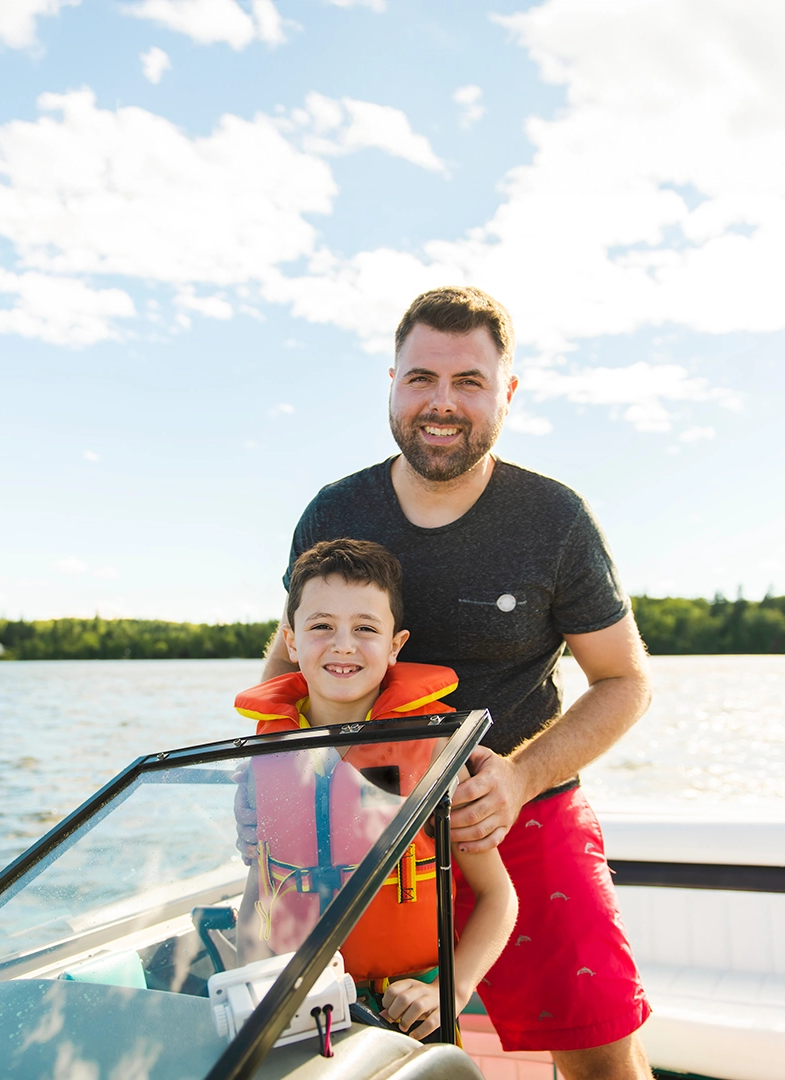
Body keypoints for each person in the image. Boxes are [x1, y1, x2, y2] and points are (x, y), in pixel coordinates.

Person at [259, 287, 656, 1080]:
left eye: (469, 381)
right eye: (421, 379)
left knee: (603, 1057)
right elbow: (284, 665)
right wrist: (270, 801)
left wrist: (520, 777)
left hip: (521, 813)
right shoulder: (335, 511)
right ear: (393, 383)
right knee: (350, 1054)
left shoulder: (555, 519)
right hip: (362, 834)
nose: (442, 404)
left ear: (506, 392)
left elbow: (623, 681)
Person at [234, 538, 518, 1041]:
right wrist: (250, 988)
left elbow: (499, 896)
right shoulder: (267, 755)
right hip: (297, 1008)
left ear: (395, 645)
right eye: (321, 626)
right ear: (291, 641)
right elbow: (261, 889)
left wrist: (451, 991)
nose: (343, 644)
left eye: (365, 628)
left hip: (408, 1012)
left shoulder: (432, 754)